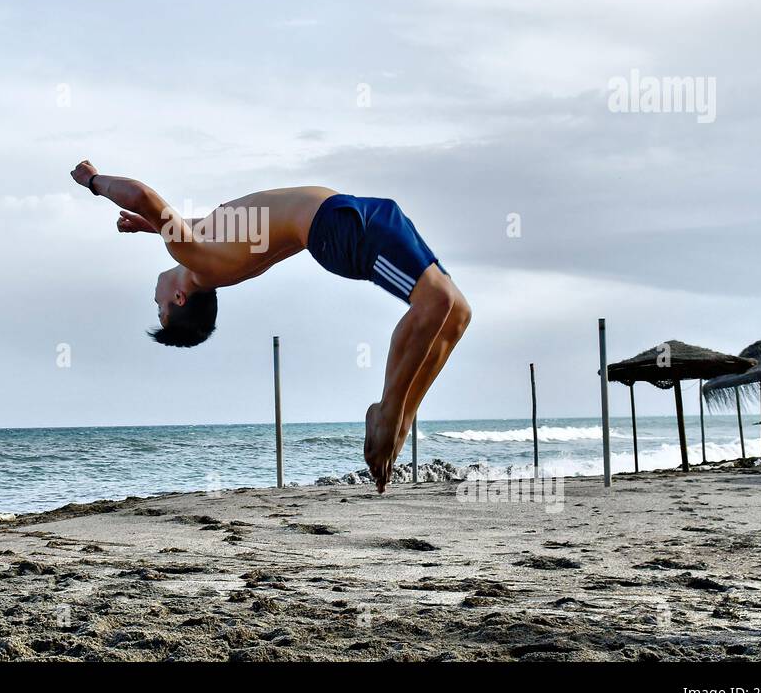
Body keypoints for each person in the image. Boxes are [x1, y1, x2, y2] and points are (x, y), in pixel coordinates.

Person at [71, 160, 470, 493]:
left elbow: (232, 222)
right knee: (434, 304)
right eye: (159, 311)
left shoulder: (207, 249)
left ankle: (400, 419)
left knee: (456, 312)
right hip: (336, 226)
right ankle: (390, 415)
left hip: (353, 212)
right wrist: (93, 180)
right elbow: (143, 196)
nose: (154, 301)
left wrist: (147, 226)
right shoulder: (191, 255)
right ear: (179, 301)